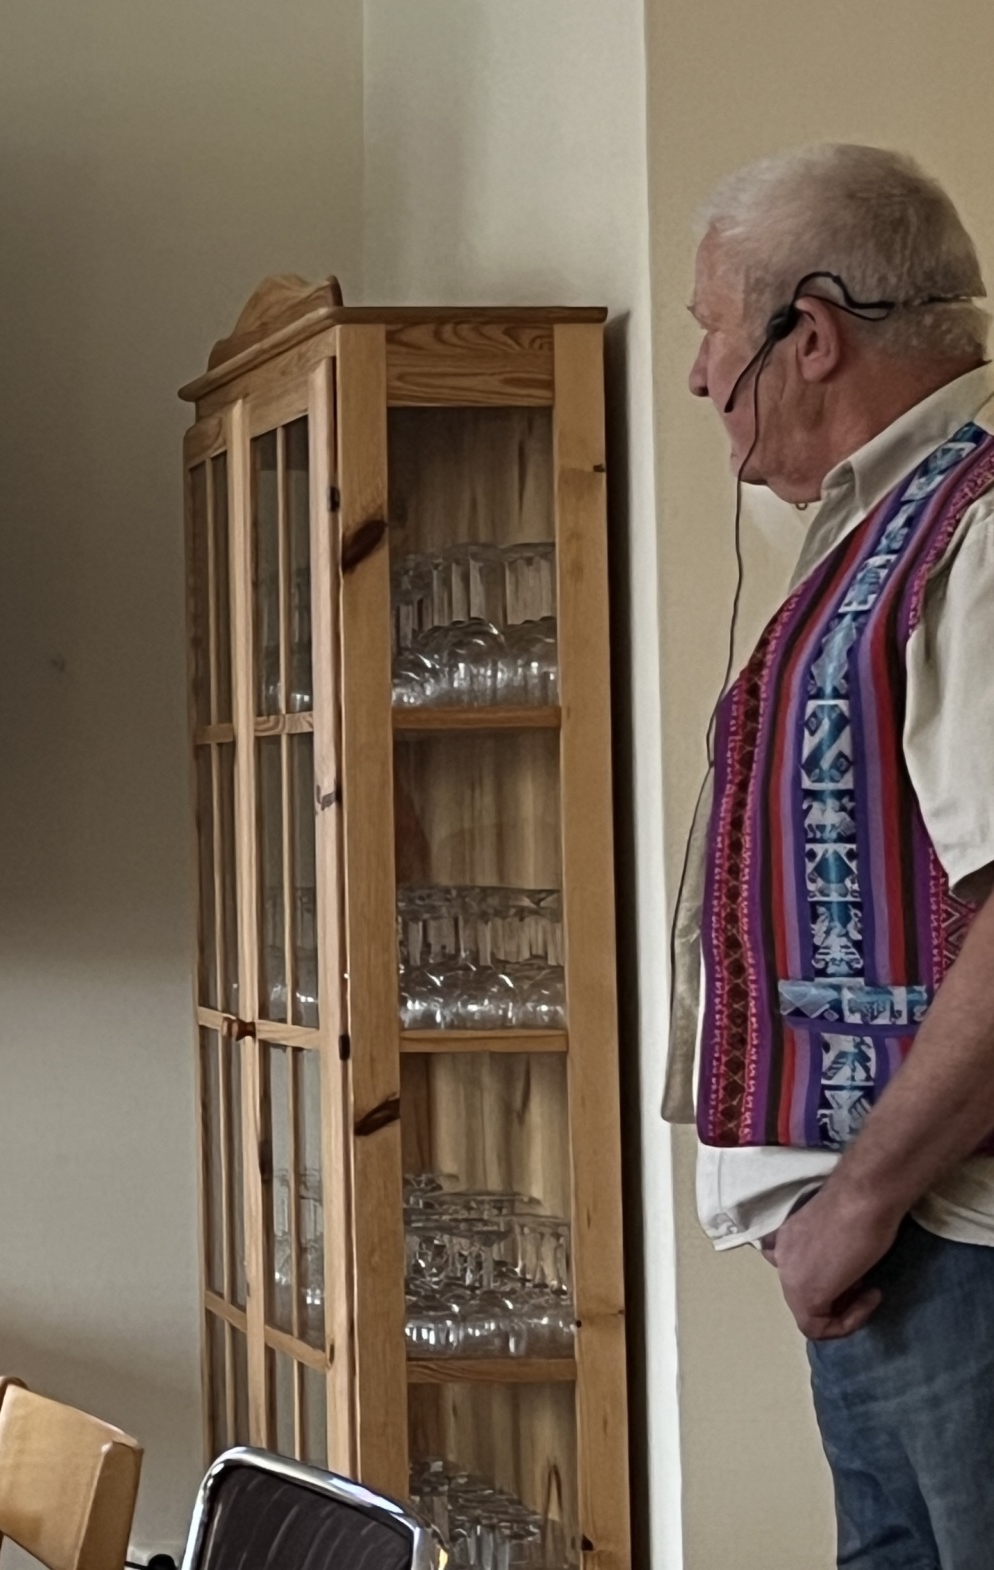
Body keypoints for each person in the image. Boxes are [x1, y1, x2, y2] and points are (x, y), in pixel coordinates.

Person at [668, 143, 994, 1568]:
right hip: (901, 1245)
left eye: (711, 330)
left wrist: (856, 1202)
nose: (699, 378)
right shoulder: (890, 524)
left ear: (810, 333)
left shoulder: (978, 530)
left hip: (952, 1238)